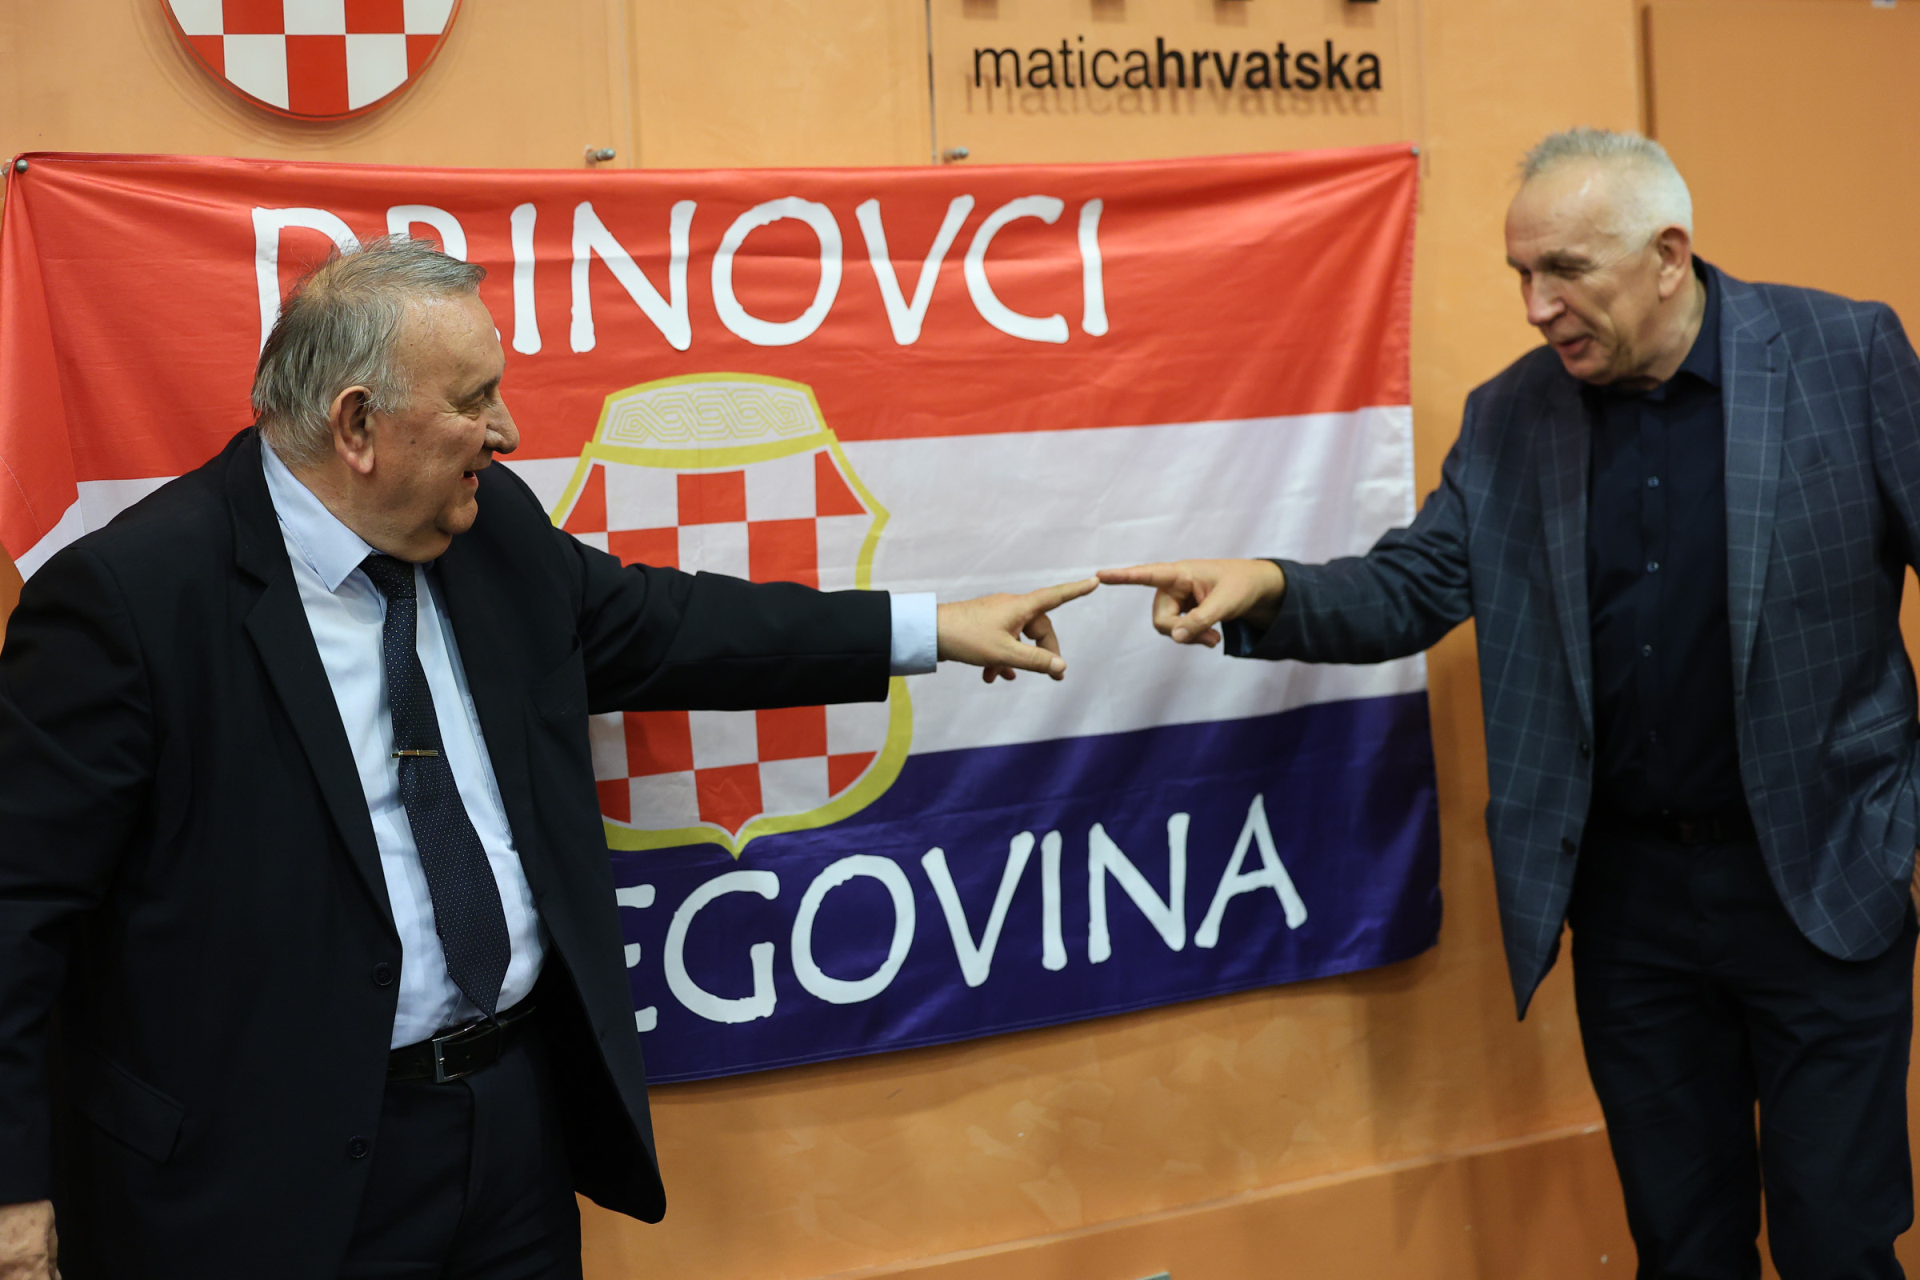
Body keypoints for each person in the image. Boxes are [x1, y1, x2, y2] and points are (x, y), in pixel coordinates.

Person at [0, 236, 1095, 1280]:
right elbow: (15, 913)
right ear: (357, 424)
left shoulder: (490, 530)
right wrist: (12, 1192)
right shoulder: (132, 603)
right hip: (257, 1177)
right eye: (474, 399)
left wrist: (933, 627)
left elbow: (670, 626)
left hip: (509, 1138)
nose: (508, 430)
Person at [1102, 128, 1920, 1278]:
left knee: (1837, 1240)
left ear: (1668, 254)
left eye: (1566, 271)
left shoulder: (1847, 354)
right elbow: (1411, 585)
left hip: (1826, 875)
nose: (1537, 307)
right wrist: (1270, 588)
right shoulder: (1510, 416)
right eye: (1521, 275)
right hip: (1632, 908)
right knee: (1683, 1245)